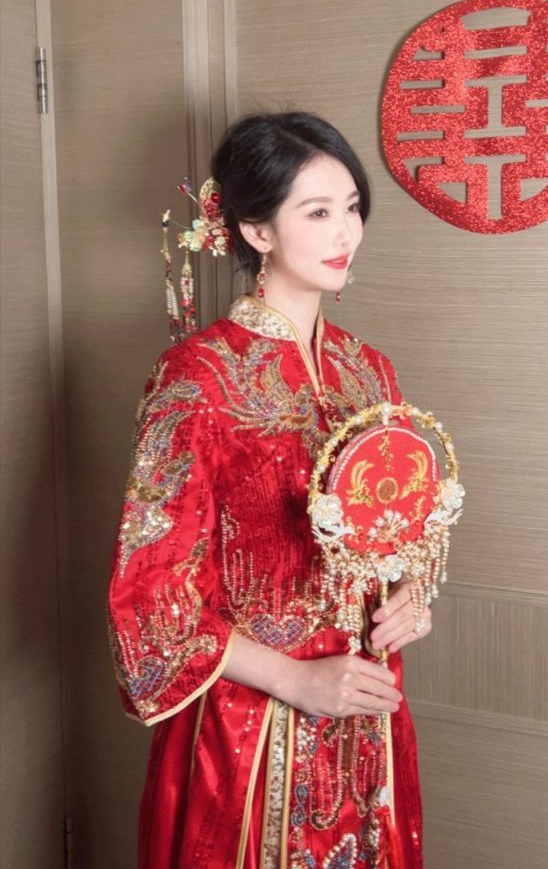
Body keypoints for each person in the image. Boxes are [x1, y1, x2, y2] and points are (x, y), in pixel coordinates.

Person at [106, 112, 429, 869]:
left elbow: (390, 529)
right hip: (249, 724)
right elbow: (149, 599)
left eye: (352, 207)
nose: (344, 232)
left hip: (365, 704)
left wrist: (407, 594)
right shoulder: (197, 378)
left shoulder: (368, 371)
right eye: (316, 212)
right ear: (256, 231)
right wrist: (294, 679)